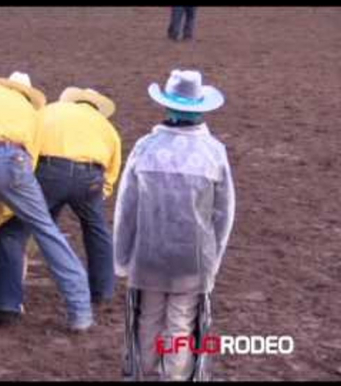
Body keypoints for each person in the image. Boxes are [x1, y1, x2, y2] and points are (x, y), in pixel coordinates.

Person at [0, 71, 94, 334]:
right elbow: (31, 161)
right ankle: (80, 312)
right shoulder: (32, 114)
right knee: (45, 229)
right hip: (12, 158)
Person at [114, 69, 235, 381]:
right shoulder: (214, 152)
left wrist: (122, 257)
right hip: (193, 258)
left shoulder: (145, 147)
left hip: (148, 253)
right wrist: (214, 260)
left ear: (166, 105)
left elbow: (126, 207)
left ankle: (143, 374)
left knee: (147, 318)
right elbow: (224, 214)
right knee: (181, 322)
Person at [0, 87, 123, 327]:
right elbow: (112, 170)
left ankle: (8, 305)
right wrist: (99, 194)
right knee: (96, 229)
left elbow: (30, 152)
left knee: (13, 233)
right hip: (91, 176)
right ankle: (102, 291)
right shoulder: (106, 127)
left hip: (49, 170)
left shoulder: (48, 112)